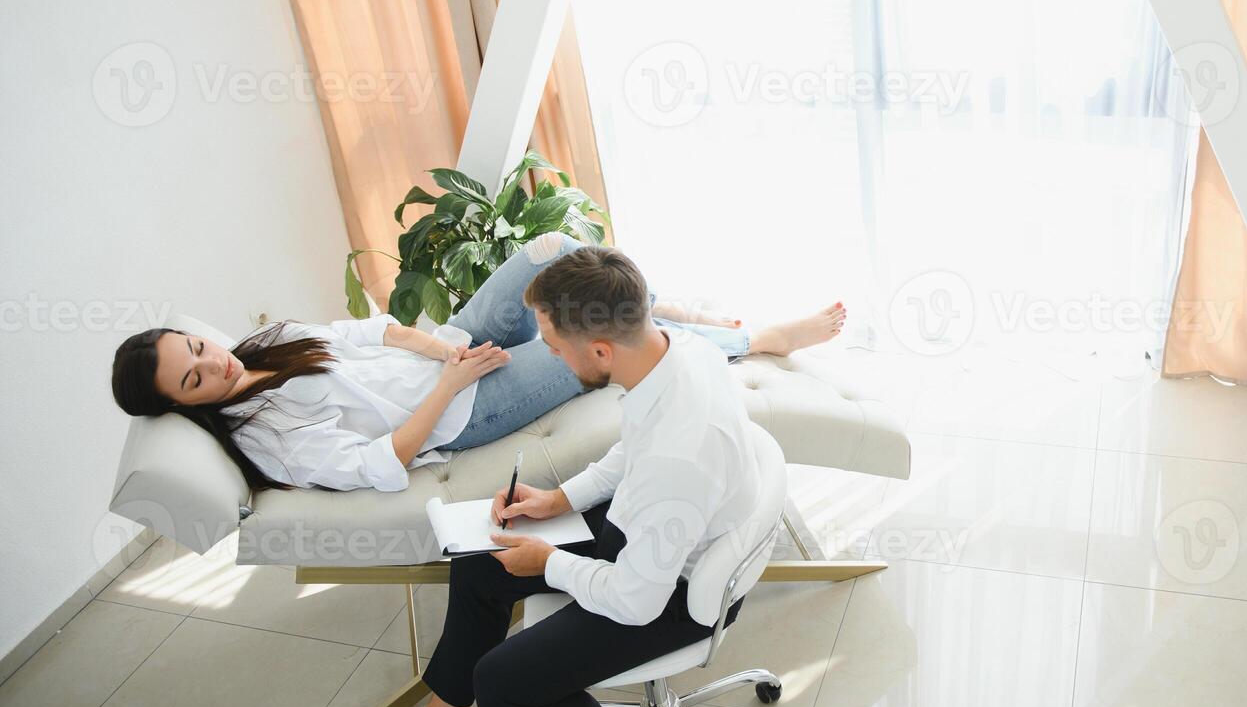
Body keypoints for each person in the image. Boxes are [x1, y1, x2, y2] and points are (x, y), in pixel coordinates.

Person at [345, 244, 767, 707]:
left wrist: (546, 563)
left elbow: (636, 600)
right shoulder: (676, 352)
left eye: (551, 345)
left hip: (671, 593)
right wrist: (558, 500)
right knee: (481, 557)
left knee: (502, 687)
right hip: (654, 534)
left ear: (599, 348)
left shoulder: (681, 457)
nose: (545, 353)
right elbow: (631, 450)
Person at [110, 232, 845, 492]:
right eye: (195, 377)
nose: (215, 365)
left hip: (452, 351)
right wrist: (453, 383)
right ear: (184, 404)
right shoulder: (268, 435)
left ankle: (673, 308)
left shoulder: (261, 349)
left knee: (554, 250)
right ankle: (757, 341)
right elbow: (378, 462)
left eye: (198, 347)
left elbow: (371, 334)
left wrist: (445, 346)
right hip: (467, 407)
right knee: (607, 345)